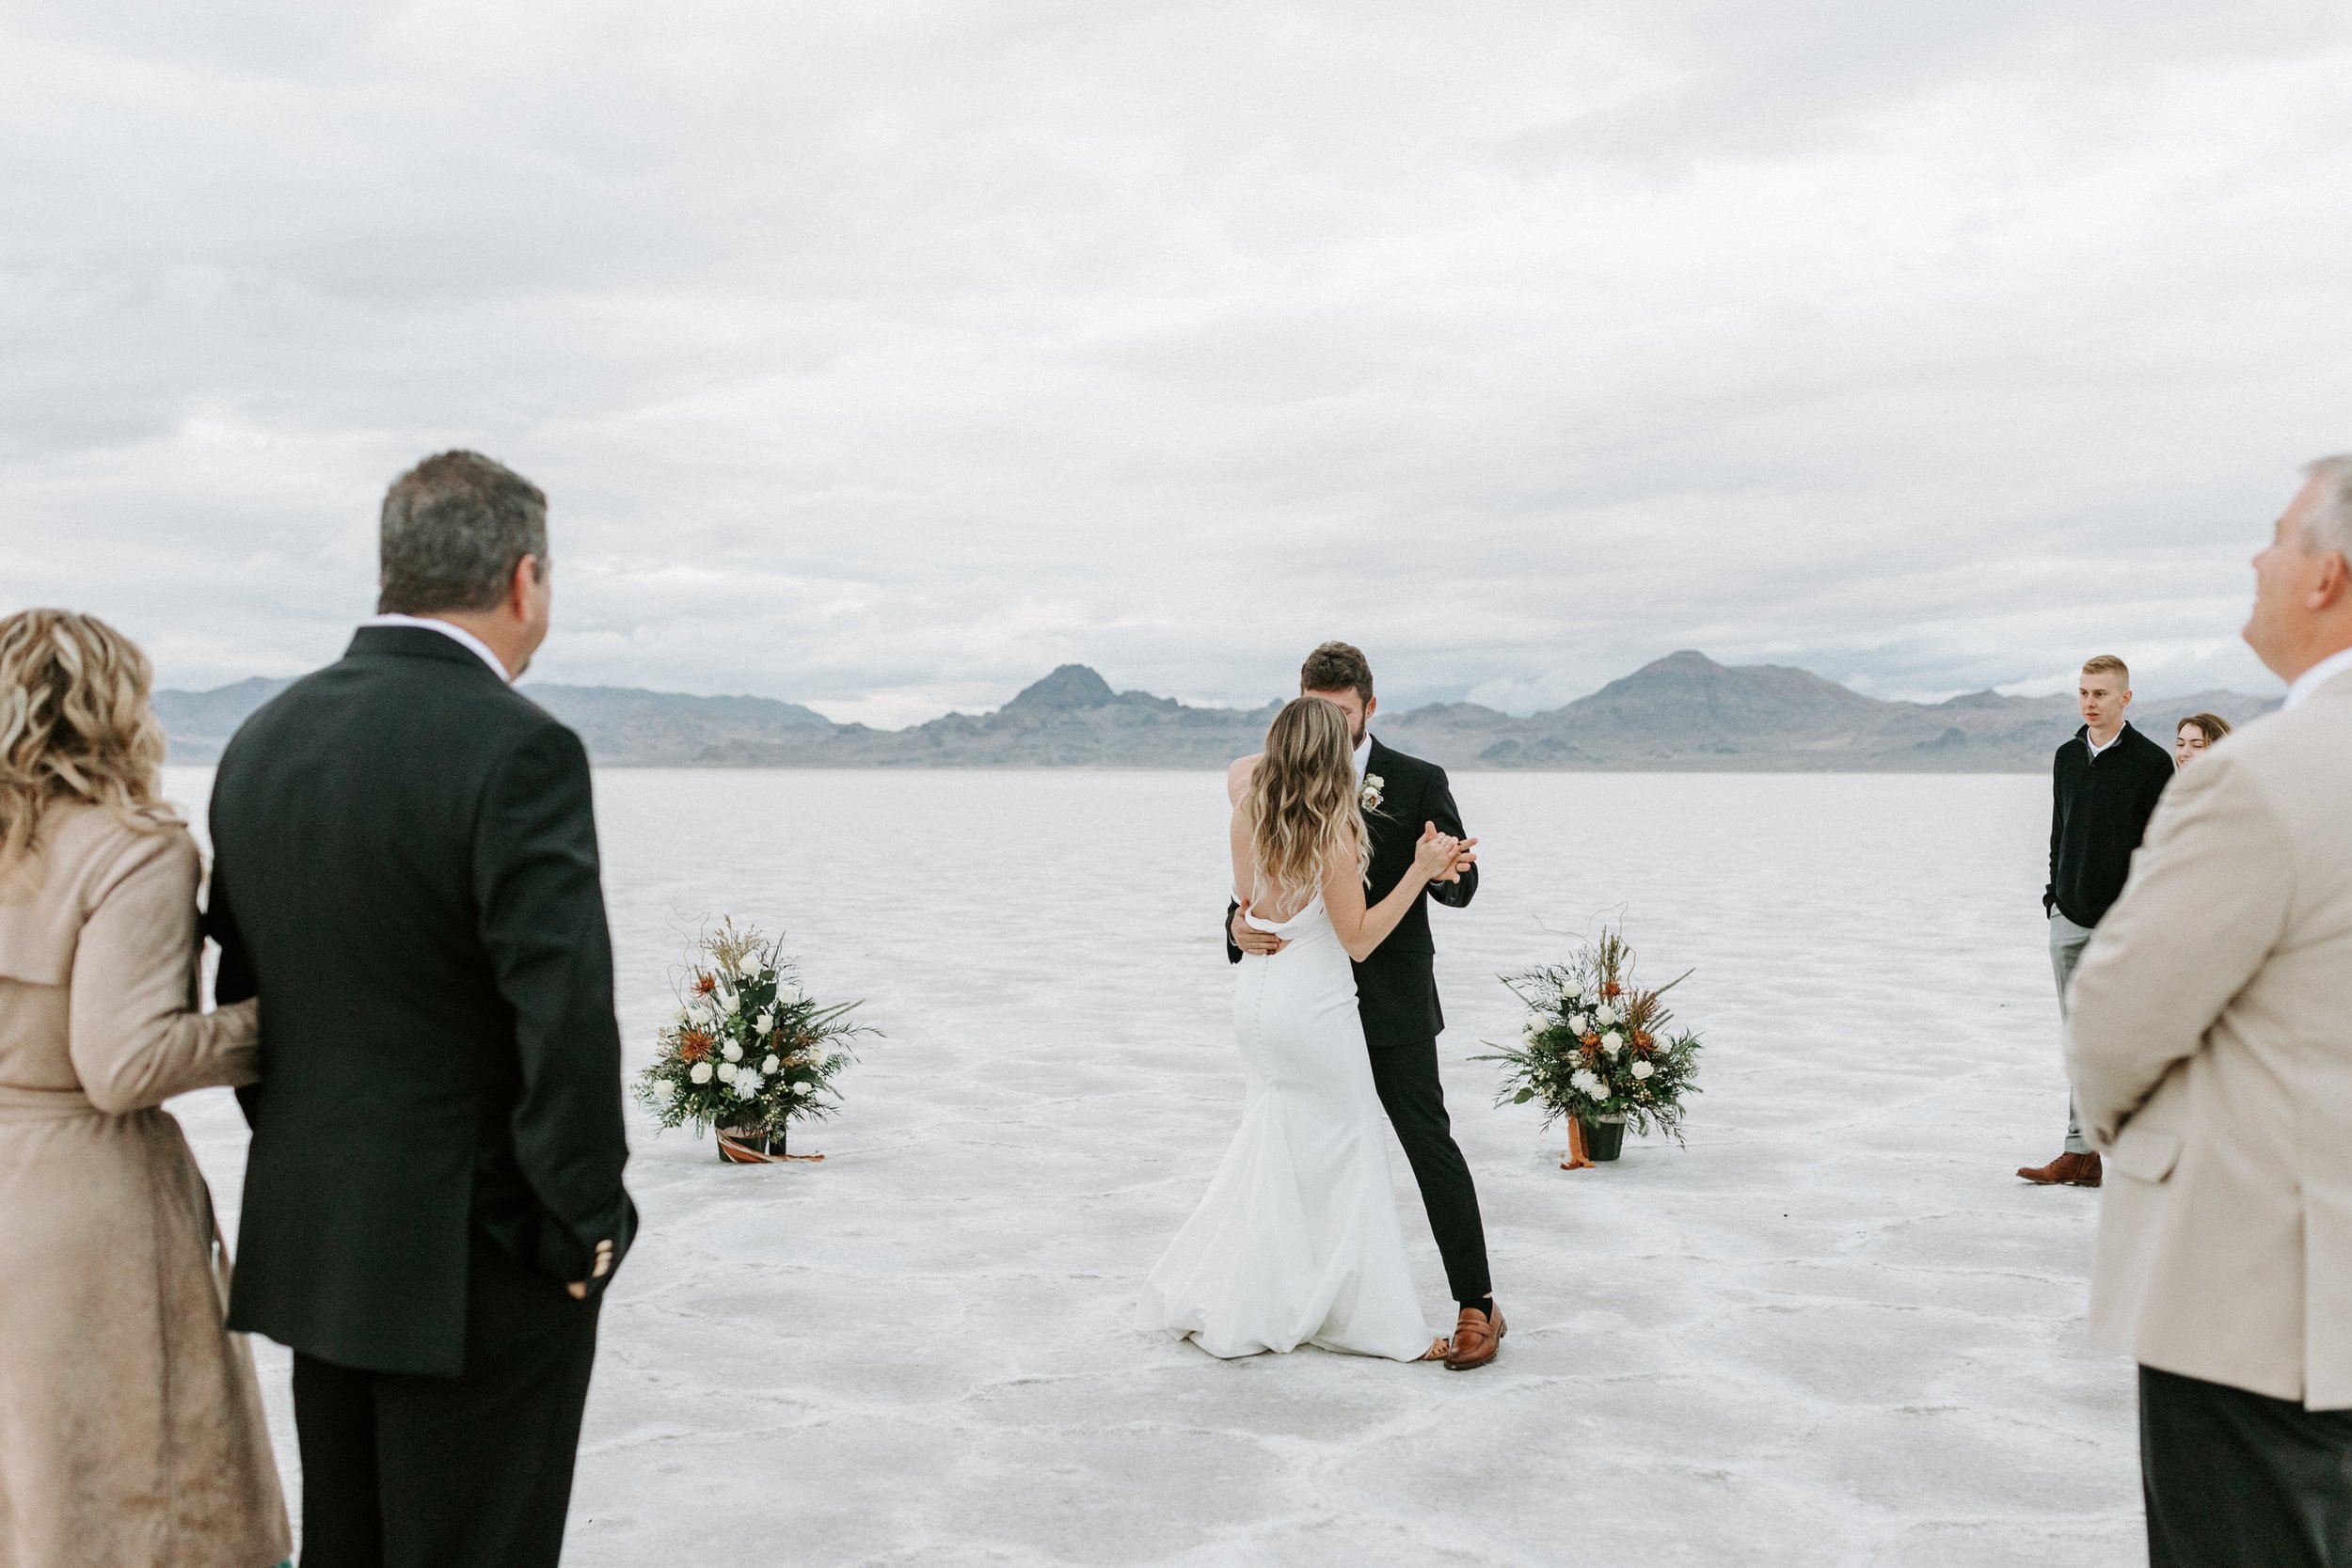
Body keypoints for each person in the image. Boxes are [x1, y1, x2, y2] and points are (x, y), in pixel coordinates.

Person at [208, 451, 637, 1568]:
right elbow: (563, 1015)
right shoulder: (519, 747)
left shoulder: (265, 739)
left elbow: (243, 997)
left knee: (348, 1545)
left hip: (324, 1241)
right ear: (524, 578)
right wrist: (582, 1221)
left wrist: (324, 1165)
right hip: (480, 1259)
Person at [2067, 454, 2352, 1566]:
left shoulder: (2263, 776)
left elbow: (2115, 1020)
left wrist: (2148, 1149)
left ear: (2327, 574)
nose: (2254, 558)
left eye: (2275, 537)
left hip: (2261, 1294)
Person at [0, 609, 291, 1568]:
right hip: (84, 1209)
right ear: (115, 707)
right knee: (139, 1497)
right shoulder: (132, 844)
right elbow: (122, 1064)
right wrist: (283, 1018)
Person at [1137, 695, 1464, 1362]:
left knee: (1273, 1146)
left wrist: (1235, 922)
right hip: (1312, 1008)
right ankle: (1375, 1324)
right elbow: (1361, 938)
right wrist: (1419, 872)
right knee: (1350, 1157)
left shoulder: (1247, 813)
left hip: (1257, 1001)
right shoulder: (1333, 831)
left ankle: (1253, 1291)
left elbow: (1250, 903)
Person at [1222, 641, 1502, 1370]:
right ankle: (1310, 1297)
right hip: (1311, 1008)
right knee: (1307, 1157)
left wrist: (1441, 872)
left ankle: (1478, 1304)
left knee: (1427, 1147)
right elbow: (1261, 881)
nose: (1329, 721)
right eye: (1316, 708)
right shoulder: (1272, 781)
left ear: (1368, 708)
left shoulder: (1415, 778)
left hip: (1389, 1003)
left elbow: (1462, 884)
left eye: (1341, 711)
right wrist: (1232, 921)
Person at [2017, 653, 2172, 1188]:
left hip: (2120, 924)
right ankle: (2080, 1153)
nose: (2090, 702)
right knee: (2080, 1039)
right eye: (2084, 692)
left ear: (2124, 698)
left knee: (2121, 1038)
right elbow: (2060, 833)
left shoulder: (2151, 763)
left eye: (2101, 693)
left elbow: (2159, 847)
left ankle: (2146, 1149)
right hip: (2068, 918)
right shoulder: (2065, 756)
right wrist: (2053, 900)